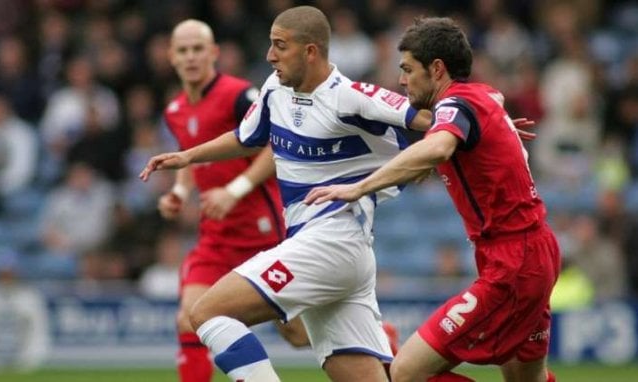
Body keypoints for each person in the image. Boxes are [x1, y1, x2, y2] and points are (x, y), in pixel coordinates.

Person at [141, 7, 431, 382]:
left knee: (207, 313)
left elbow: (430, 120)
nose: (269, 55)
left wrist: (490, 122)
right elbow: (246, 138)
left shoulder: (350, 96)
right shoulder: (275, 89)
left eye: (280, 46)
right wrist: (187, 157)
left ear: (310, 51)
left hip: (331, 241)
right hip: (337, 252)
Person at [305, 16, 561, 382]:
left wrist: (360, 187)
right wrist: (498, 129)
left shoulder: (456, 106)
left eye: (408, 69)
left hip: (514, 261)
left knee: (406, 373)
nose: (401, 80)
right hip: (533, 252)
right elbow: (485, 115)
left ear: (437, 69)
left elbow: (438, 148)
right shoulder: (483, 97)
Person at [158, 19, 307, 382]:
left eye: (198, 49)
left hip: (261, 232)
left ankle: (381, 339)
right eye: (183, 50)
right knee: (189, 317)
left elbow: (276, 145)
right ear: (171, 57)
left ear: (213, 53)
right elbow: (190, 157)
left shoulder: (240, 95)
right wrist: (179, 191)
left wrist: (235, 190)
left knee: (298, 334)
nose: (191, 57)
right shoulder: (175, 110)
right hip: (216, 236)